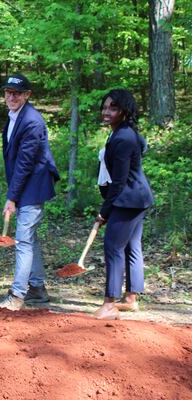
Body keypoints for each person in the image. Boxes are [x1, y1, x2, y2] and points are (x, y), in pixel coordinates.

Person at [0, 73, 60, 311]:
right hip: (25, 186)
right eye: (8, 92)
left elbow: (25, 163)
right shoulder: (14, 116)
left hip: (33, 186)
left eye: (17, 93)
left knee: (22, 240)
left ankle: (17, 295)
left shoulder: (31, 121)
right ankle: (38, 288)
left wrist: (12, 197)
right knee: (29, 238)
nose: (11, 97)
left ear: (27, 95)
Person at [93, 89, 153, 320]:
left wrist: (104, 212)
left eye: (113, 108)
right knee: (131, 246)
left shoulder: (123, 137)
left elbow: (118, 182)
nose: (106, 112)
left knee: (113, 247)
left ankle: (109, 304)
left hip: (129, 200)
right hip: (135, 198)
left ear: (124, 111)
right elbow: (143, 146)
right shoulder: (124, 133)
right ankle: (130, 299)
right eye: (105, 107)